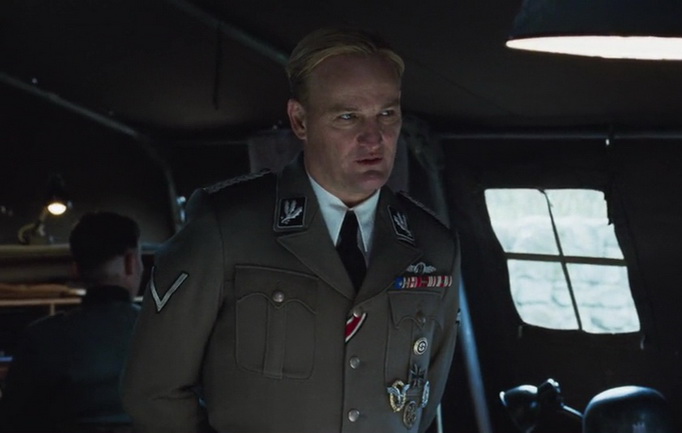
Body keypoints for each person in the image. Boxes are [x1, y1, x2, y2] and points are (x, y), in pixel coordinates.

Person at [122, 28, 461, 433]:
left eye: (387, 114)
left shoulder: (434, 246)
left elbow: (422, 402)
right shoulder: (227, 228)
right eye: (348, 117)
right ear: (300, 120)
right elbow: (153, 391)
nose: (374, 138)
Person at [0, 212, 143, 433]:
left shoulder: (40, 338)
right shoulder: (172, 333)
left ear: (75, 269)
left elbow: (12, 423)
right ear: (130, 262)